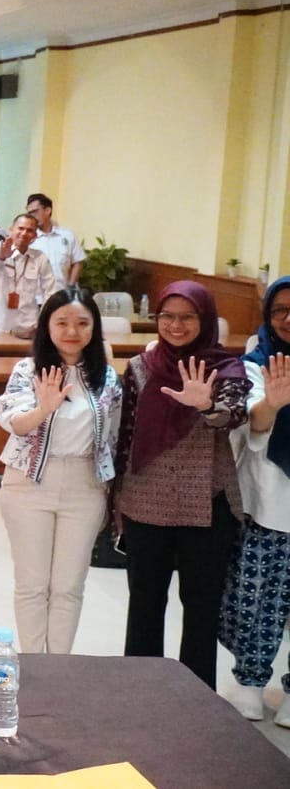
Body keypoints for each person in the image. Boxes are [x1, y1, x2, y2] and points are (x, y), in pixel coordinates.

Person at [113, 280, 248, 688]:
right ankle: (141, 690)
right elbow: (126, 434)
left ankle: (197, 699)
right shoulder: (140, 368)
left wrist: (207, 406)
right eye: (167, 316)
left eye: (187, 316)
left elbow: (236, 411)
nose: (176, 325)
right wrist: (115, 498)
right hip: (145, 501)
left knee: (201, 609)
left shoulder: (226, 367)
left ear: (204, 319)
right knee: (144, 606)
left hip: (207, 504)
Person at [0, 288, 121, 653]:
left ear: (94, 329)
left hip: (84, 485)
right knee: (32, 584)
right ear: (46, 326)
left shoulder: (106, 378)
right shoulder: (28, 371)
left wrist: (111, 493)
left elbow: (112, 438)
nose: (72, 331)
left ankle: (59, 666)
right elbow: (14, 422)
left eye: (82, 323)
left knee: (69, 586)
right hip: (29, 484)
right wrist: (44, 408)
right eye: (61, 322)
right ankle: (35, 665)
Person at [220, 277, 290, 724]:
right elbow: (251, 426)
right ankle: (250, 681)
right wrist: (275, 404)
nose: (289, 318)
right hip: (267, 504)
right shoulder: (254, 363)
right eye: (280, 309)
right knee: (257, 599)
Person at [0, 214, 61, 339]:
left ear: (35, 236)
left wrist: (43, 320)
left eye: (29, 230)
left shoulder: (40, 257)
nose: (24, 233)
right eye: (20, 228)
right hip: (0, 324)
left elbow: (50, 292)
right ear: (11, 230)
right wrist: (2, 257)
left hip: (29, 326)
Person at [26, 193, 85, 286]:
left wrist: (70, 286)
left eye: (35, 211)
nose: (32, 216)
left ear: (48, 210)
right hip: (35, 297)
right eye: (29, 213)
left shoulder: (67, 235)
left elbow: (77, 261)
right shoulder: (27, 238)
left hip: (60, 295)